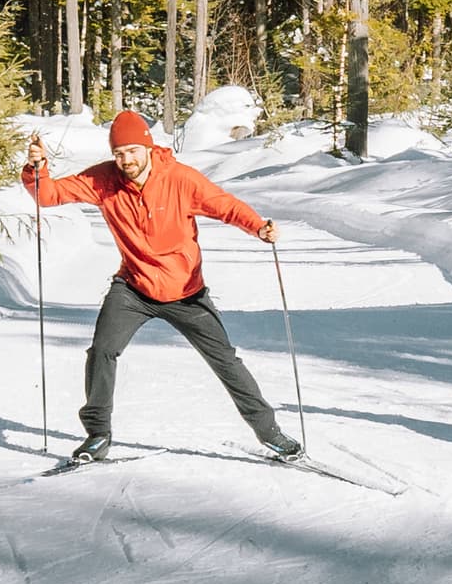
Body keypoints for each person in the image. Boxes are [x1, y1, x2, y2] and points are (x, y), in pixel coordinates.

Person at [21, 109, 300, 464]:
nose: (126, 160)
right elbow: (50, 195)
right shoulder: (104, 180)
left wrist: (259, 227)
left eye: (133, 151)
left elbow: (224, 205)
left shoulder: (180, 179)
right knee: (102, 352)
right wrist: (37, 169)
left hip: (186, 292)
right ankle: (97, 435)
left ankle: (270, 433)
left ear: (149, 148)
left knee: (226, 361)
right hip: (133, 288)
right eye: (119, 153)